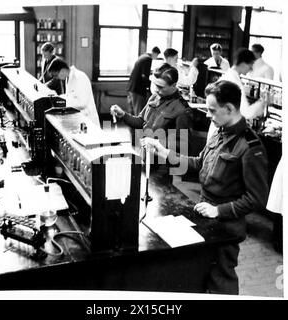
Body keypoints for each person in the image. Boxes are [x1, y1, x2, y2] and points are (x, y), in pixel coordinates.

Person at [141, 80, 269, 295]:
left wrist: (219, 210)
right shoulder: (220, 132)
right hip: (204, 213)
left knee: (221, 278)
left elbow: (257, 198)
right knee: (197, 273)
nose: (208, 115)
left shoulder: (249, 147)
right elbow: (199, 163)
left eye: (212, 110)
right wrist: (163, 152)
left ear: (229, 108)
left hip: (226, 227)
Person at [110, 63, 193, 155]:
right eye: (155, 85)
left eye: (161, 87)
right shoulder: (154, 97)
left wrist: (156, 144)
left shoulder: (182, 110)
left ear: (174, 85)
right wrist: (123, 115)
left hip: (163, 166)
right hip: (147, 157)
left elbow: (183, 146)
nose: (157, 90)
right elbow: (141, 121)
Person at [207, 48, 267, 140]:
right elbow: (246, 113)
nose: (251, 69)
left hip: (218, 129)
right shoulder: (234, 83)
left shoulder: (227, 76)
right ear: (243, 63)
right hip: (223, 131)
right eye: (250, 65)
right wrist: (263, 102)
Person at [47, 58, 100, 127]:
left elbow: (82, 103)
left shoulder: (80, 77)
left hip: (88, 120)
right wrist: (58, 97)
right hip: (79, 119)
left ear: (62, 70)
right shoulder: (68, 78)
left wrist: (61, 101)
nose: (56, 78)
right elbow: (70, 96)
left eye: (56, 75)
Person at [128, 46, 161, 116]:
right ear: (155, 53)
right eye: (157, 55)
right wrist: (150, 86)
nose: (156, 57)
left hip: (132, 87)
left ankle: (132, 125)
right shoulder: (148, 59)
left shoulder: (143, 56)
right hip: (138, 88)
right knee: (139, 111)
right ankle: (138, 126)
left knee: (132, 111)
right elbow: (144, 75)